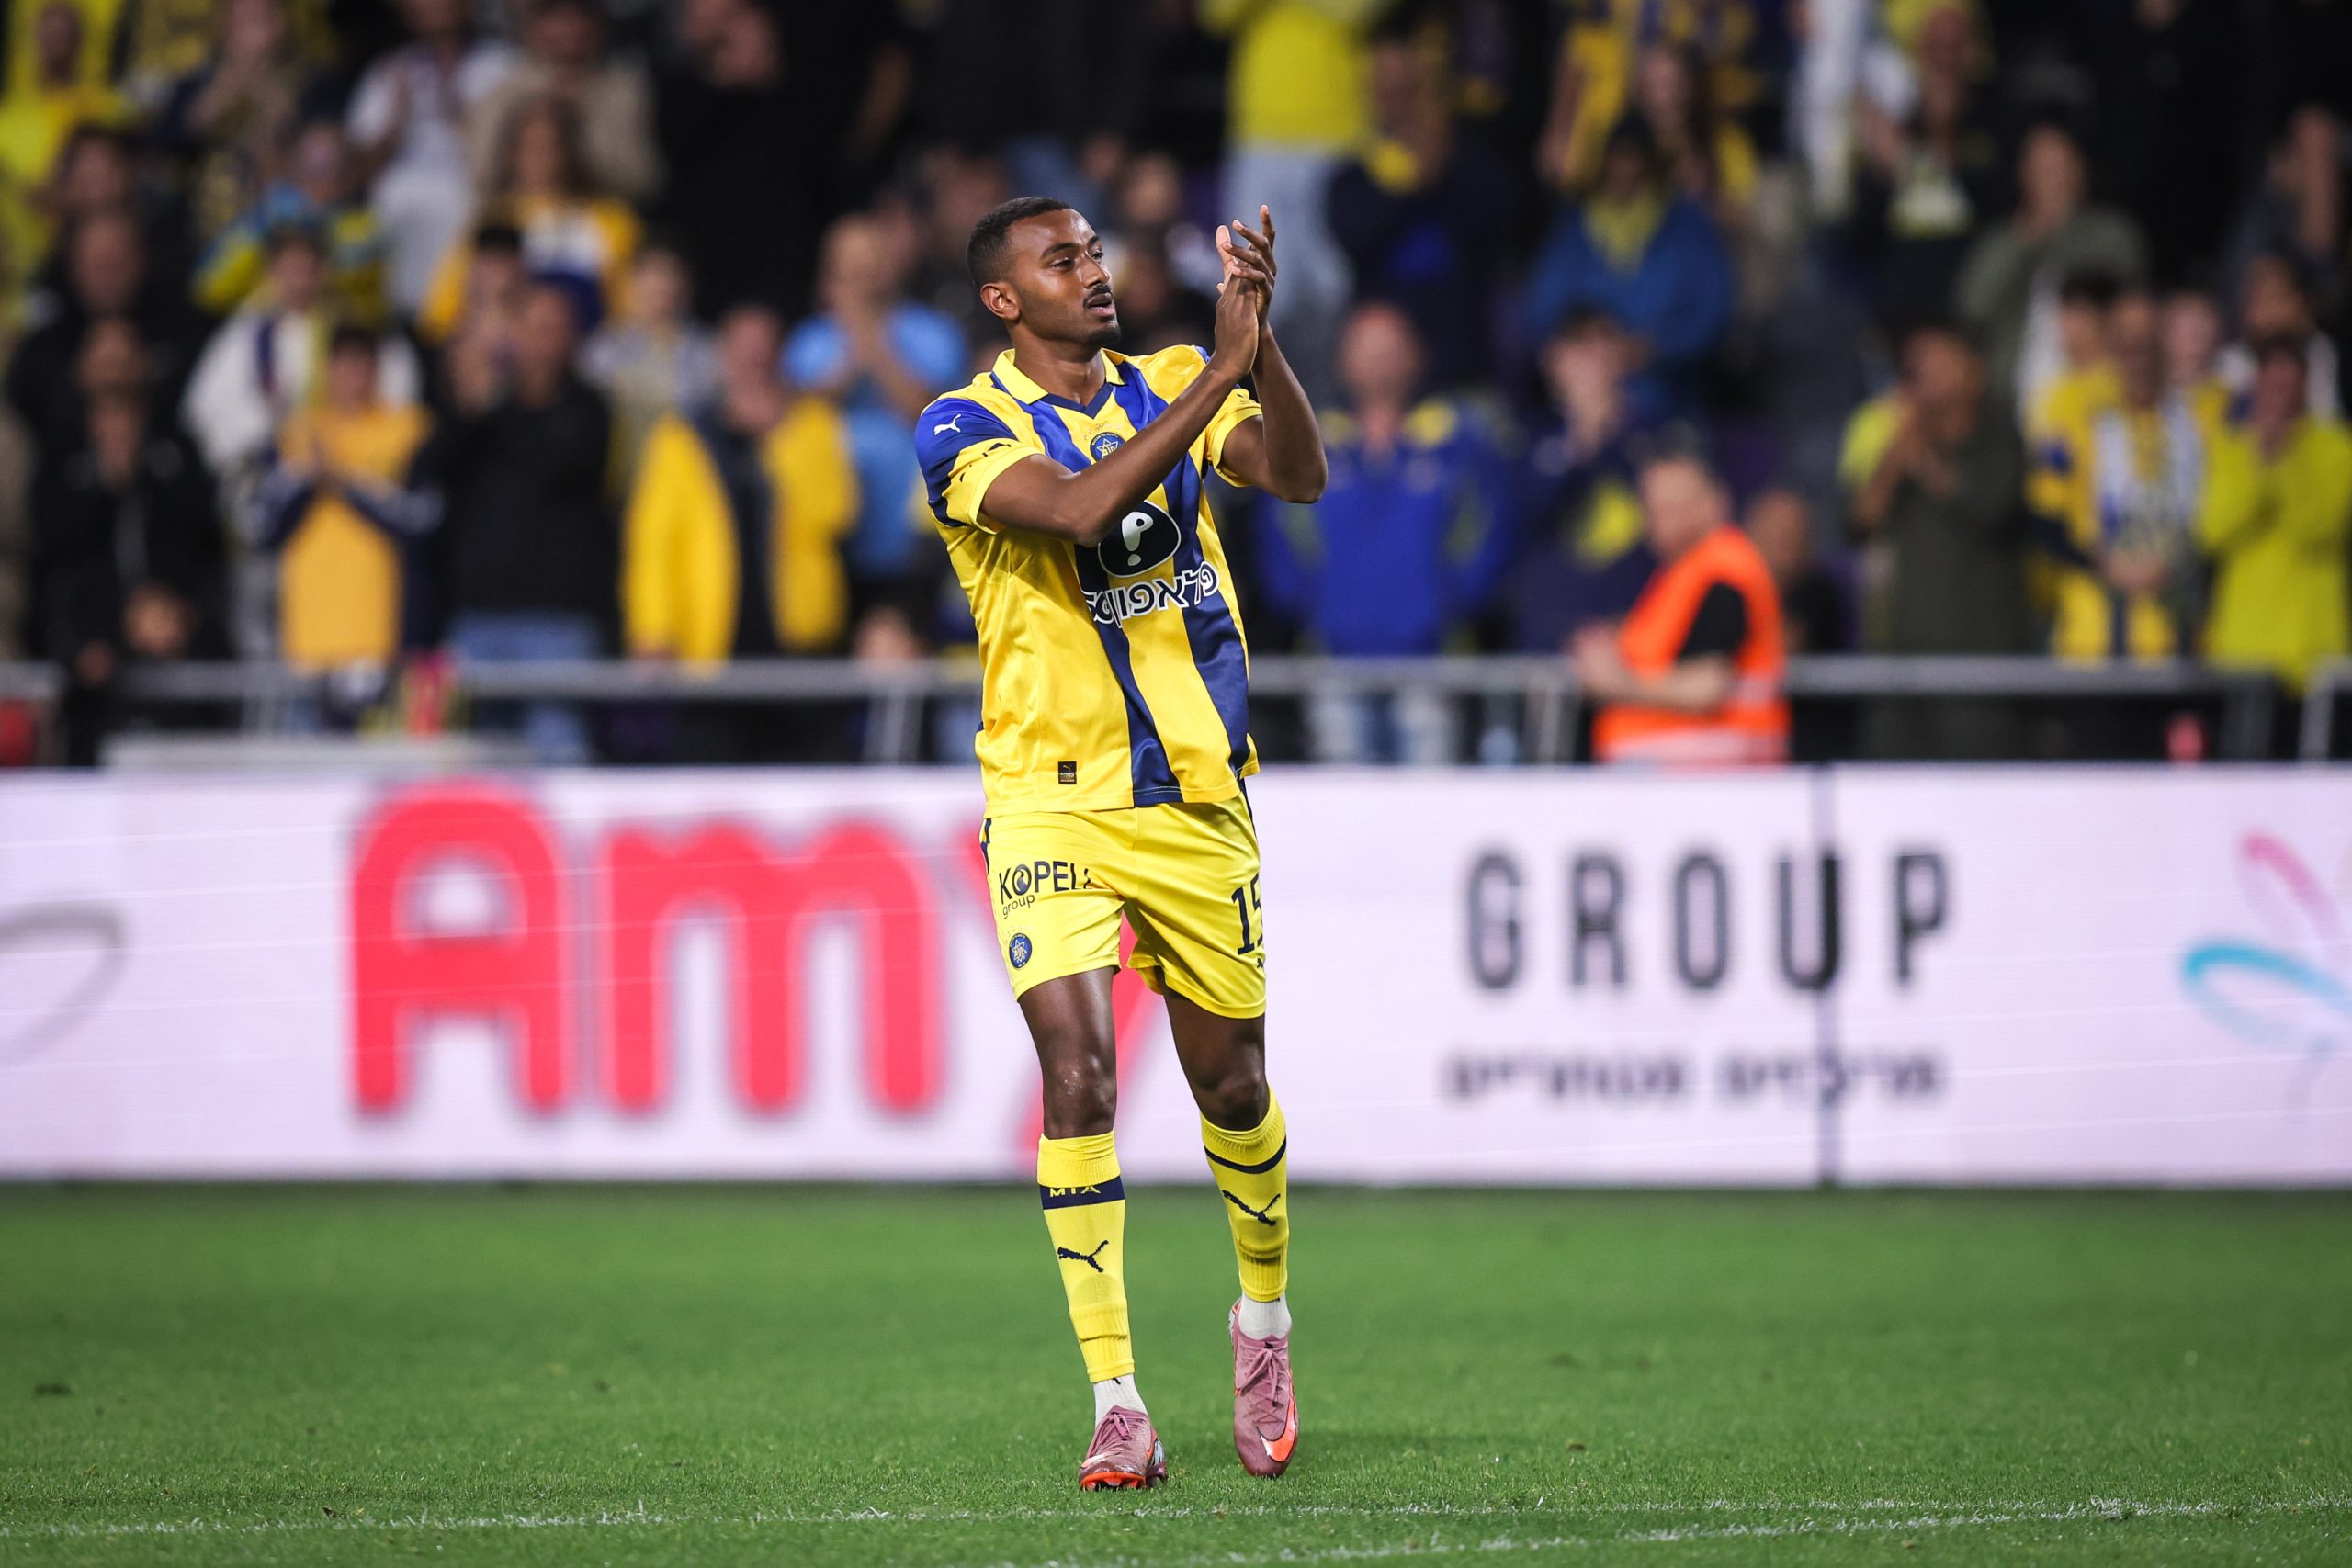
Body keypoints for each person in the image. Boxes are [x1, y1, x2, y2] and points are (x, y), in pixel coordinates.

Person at [912, 197, 1324, 1489]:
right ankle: (1117, 1400)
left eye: (1093, 251)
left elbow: (1298, 474)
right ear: (1004, 300)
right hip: (1048, 799)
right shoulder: (959, 427)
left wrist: (1260, 345)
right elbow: (1086, 510)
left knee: (1232, 1090)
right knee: (1080, 1076)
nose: (1093, 271)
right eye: (1062, 259)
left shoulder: (1169, 377)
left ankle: (1263, 1325)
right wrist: (1217, 372)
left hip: (1195, 795)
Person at [1254, 301, 1510, 762]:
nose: (1378, 358)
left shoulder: (1458, 441)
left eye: (1390, 346)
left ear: (1417, 354)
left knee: (1431, 796)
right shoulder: (1314, 438)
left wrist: (1448, 607)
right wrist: (1314, 609)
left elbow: (1487, 534)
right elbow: (1280, 536)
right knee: (1344, 796)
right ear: (1342, 358)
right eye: (1366, 347)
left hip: (1432, 661)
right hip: (1333, 660)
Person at [416, 282, 613, 762]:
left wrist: (494, 408)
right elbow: (425, 472)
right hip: (477, 618)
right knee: (467, 769)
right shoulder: (479, 408)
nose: (544, 342)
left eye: (556, 330)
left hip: (558, 622)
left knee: (560, 759)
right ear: (515, 336)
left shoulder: (589, 408)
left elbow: (559, 466)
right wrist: (469, 408)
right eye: (534, 329)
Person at [623, 306, 857, 666]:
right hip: (705, 636)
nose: (754, 360)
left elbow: (834, 513)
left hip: (798, 634)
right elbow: (654, 540)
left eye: (765, 349)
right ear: (723, 353)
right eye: (744, 348)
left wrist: (778, 434)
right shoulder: (681, 438)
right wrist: (653, 628)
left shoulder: (814, 425)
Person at [1844, 319, 2030, 759]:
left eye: (1937, 361)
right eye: (1916, 364)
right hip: (1903, 662)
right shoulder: (1903, 434)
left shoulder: (2000, 429)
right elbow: (1859, 522)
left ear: (1973, 370)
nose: (1923, 373)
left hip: (1981, 665)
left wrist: (1927, 465)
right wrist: (1896, 456)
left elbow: (1994, 507)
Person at [784, 213, 966, 627]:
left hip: (911, 541)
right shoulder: (808, 340)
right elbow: (801, 417)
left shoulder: (933, 333)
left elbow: (929, 414)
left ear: (890, 264)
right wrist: (851, 352)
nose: (860, 277)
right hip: (828, 540)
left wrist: (873, 343)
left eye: (869, 263)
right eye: (848, 266)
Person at [1325, 25, 1521, 389]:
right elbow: (1357, 237)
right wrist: (1415, 179)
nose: (1398, 104)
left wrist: (1442, 163)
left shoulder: (1472, 166)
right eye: (1387, 91)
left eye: (1408, 90)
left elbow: (1497, 230)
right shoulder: (1351, 177)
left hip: (1464, 365)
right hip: (1383, 366)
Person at [1576, 448, 1789, 766]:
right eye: (1653, 507)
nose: (1660, 518)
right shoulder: (1682, 572)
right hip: (1683, 769)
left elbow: (1708, 683)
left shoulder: (1725, 571)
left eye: (1675, 505)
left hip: (1712, 771)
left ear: (1715, 502)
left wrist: (1617, 682)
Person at [248, 324, 436, 679]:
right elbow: (260, 526)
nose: (353, 379)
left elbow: (418, 519)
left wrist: (343, 481)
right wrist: (307, 475)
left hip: (378, 632)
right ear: (328, 370)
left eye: (363, 366)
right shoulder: (298, 433)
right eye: (344, 366)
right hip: (306, 635)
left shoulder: (408, 429)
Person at [1523, 117, 1734, 425]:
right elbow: (1541, 307)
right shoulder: (1575, 227)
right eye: (1617, 157)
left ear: (1650, 163)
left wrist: (1653, 347)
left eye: (1633, 157)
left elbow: (1712, 310)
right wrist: (1589, 342)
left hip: (1668, 404)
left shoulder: (1687, 228)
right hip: (1585, 410)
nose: (1625, 169)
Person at [2199, 339, 2352, 718]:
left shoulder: (2337, 449)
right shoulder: (2231, 448)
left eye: (2289, 387)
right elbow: (2214, 531)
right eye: (2272, 386)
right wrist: (2261, 461)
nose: (2280, 398)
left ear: (2306, 387)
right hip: (2244, 647)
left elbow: (2319, 528)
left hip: (2313, 649)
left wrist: (2284, 460)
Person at [1954, 120, 2147, 416]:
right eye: (2041, 169)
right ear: (2023, 175)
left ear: (2081, 170)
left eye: (2060, 167)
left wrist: (2063, 231)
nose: (2052, 180)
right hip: (2005, 396)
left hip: (2093, 390)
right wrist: (2025, 237)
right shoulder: (2003, 239)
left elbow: (2130, 305)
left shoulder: (2111, 232)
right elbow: (1971, 307)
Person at [1505, 307, 1666, 658]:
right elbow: (1525, 516)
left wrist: (1613, 434)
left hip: (1638, 625)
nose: (1593, 365)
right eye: (1580, 350)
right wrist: (1580, 440)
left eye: (1604, 349)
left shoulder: (1655, 436)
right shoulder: (1527, 438)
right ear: (1552, 361)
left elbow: (1672, 516)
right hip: (1550, 630)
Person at [416, 93, 639, 343]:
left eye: (551, 146)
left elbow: (630, 310)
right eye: (530, 146)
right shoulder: (491, 222)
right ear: (512, 153)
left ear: (570, 152)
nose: (541, 158)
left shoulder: (612, 221)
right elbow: (440, 316)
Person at [344, 0, 519, 313]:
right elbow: (355, 169)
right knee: (388, 207)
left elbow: (525, 150)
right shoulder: (391, 68)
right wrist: (396, 122)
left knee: (455, 205)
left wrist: (468, 124)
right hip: (400, 193)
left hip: (474, 186)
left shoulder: (500, 64)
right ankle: (401, 316)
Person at [465, 0, 660, 207]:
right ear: (531, 26)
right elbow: (482, 175)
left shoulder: (625, 92)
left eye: (581, 15)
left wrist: (577, 144)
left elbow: (644, 177)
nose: (569, 28)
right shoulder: (504, 94)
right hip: (522, 216)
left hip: (606, 215)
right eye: (554, 17)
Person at [582, 240, 716, 488]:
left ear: (687, 286)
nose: (662, 287)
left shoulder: (710, 353)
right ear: (634, 283)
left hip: (683, 486)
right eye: (653, 278)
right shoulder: (602, 350)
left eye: (671, 276)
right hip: (616, 483)